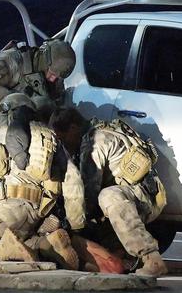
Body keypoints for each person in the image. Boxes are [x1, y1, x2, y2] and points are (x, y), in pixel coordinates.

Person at [0, 94, 86, 269]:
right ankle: (45, 244)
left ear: (3, 108)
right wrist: (76, 224)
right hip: (34, 215)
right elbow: (73, 180)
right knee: (23, 238)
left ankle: (1, 250)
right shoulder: (49, 135)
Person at [49, 108, 169, 277]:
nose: (63, 145)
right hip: (143, 196)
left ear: (73, 128)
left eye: (63, 138)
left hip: (141, 201)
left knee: (107, 197)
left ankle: (152, 259)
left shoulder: (94, 144)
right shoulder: (99, 129)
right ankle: (121, 255)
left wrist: (70, 222)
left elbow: (88, 195)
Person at [0, 39, 76, 128]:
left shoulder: (55, 76)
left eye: (57, 77)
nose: (53, 79)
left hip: (29, 127)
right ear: (44, 60)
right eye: (51, 74)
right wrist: (28, 103)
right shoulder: (9, 62)